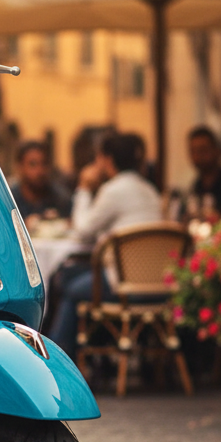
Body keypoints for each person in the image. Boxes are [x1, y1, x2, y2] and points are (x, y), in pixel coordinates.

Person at [49, 133, 163, 357]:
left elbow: (83, 232)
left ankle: (58, 356)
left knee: (65, 283)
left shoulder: (113, 191)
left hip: (123, 285)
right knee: (70, 276)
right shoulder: (150, 190)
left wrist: (83, 188)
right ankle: (95, 358)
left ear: (107, 159)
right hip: (157, 286)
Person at [187, 126, 221, 219]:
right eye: (194, 151)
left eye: (203, 150)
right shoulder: (196, 187)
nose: (198, 156)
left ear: (217, 150)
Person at [10, 141, 71, 224]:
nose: (40, 170)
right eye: (32, 164)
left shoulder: (61, 199)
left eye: (44, 164)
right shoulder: (10, 201)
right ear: (20, 167)